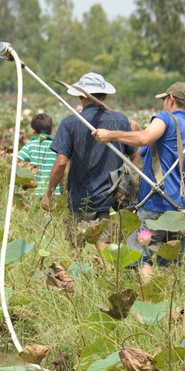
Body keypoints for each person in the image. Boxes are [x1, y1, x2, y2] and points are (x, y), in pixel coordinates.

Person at [92, 82, 185, 277]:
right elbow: (145, 150)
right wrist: (138, 130)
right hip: (180, 209)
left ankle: (147, 300)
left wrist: (110, 135)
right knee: (170, 265)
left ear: (171, 99)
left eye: (164, 100)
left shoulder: (166, 118)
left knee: (139, 258)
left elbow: (143, 139)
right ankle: (169, 305)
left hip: (155, 207)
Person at [41, 72, 139, 249]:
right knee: (106, 249)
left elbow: (61, 162)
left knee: (76, 251)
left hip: (79, 198)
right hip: (112, 198)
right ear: (105, 95)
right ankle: (107, 275)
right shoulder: (120, 120)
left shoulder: (70, 122)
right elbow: (135, 157)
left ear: (80, 95)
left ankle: (76, 276)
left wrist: (48, 193)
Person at [17, 113, 61, 198]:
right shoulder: (57, 146)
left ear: (33, 130)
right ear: (51, 131)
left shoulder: (30, 145)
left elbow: (16, 160)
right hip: (52, 193)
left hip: (34, 192)